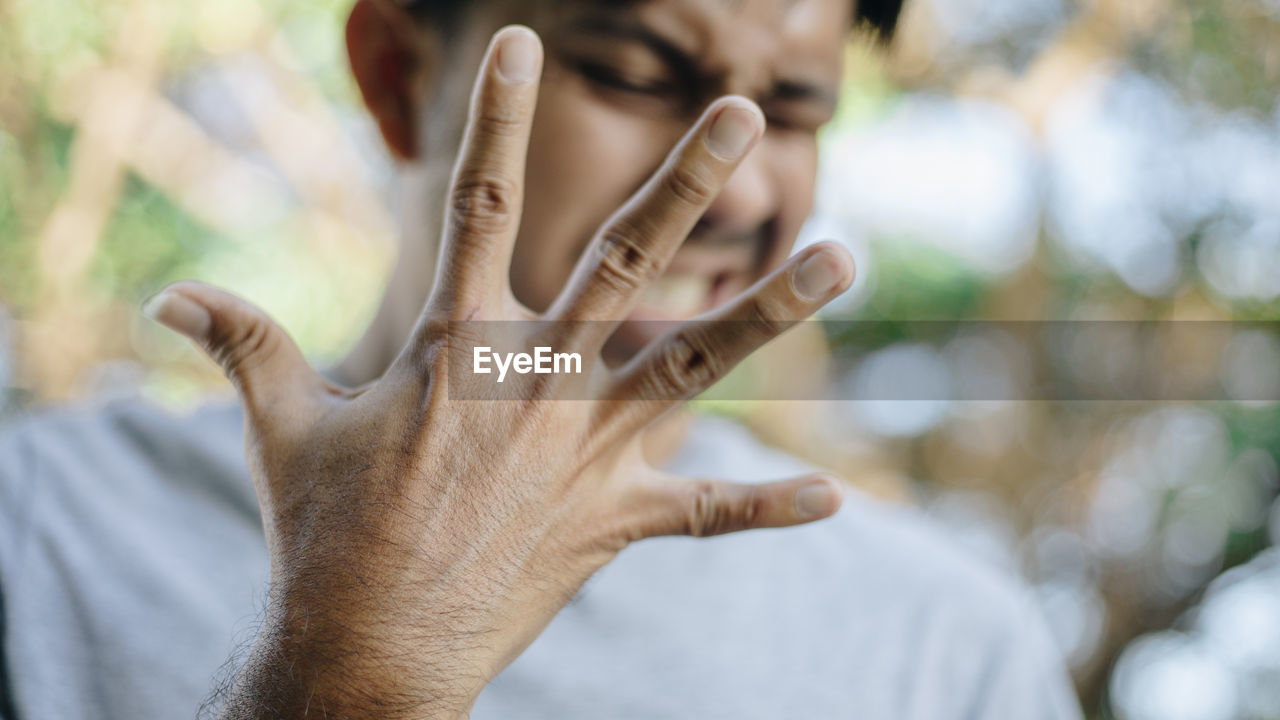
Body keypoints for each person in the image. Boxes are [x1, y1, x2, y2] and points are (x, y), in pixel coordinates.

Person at [0, 1, 1084, 718]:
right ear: (394, 73)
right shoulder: (39, 523)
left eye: (793, 114)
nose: (742, 191)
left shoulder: (947, 653)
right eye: (634, 74)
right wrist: (343, 678)